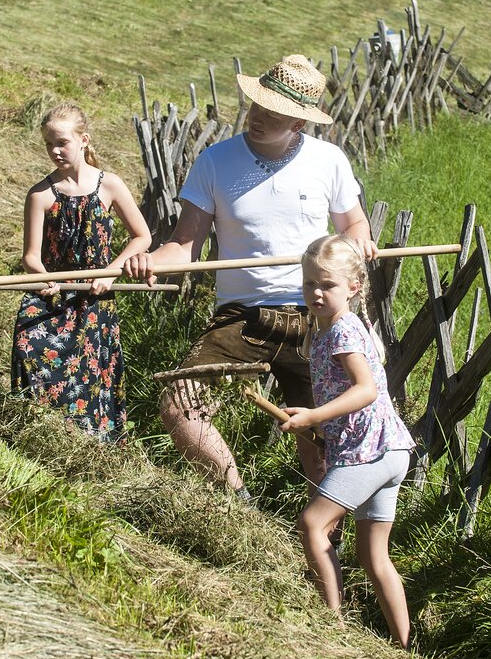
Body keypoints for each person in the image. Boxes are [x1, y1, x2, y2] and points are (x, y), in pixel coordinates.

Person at [123, 54, 374, 500]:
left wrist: (356, 245)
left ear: (298, 124)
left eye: (273, 115)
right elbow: (186, 245)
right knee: (181, 404)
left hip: (315, 315)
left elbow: (354, 226)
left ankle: (323, 539)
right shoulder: (215, 162)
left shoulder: (328, 160)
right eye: (255, 106)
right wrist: (153, 261)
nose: (256, 119)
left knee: (324, 436)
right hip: (243, 316)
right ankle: (235, 502)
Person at [279, 234, 415, 649]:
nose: (316, 293)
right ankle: (404, 648)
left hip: (368, 452)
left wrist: (316, 415)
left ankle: (331, 628)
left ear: (353, 287)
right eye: (309, 284)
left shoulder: (341, 332)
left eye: (327, 285)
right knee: (374, 558)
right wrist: (319, 429)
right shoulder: (334, 328)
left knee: (312, 523)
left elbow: (366, 390)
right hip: (390, 449)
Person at [12, 104, 151, 442]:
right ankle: (41, 432)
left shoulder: (110, 186)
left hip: (96, 298)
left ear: (84, 140)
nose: (55, 151)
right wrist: (45, 278)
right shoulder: (41, 194)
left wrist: (112, 271)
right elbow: (30, 256)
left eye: (62, 142)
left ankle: (90, 442)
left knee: (92, 374)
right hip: (54, 295)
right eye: (49, 144)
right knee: (27, 343)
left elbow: (142, 237)